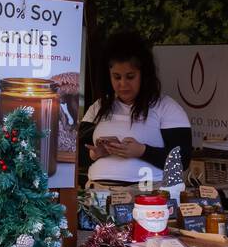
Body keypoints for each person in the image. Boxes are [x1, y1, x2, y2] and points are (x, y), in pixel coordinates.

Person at [80, 30, 192, 184]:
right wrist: (95, 153)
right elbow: (77, 154)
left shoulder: (167, 108)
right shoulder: (98, 107)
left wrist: (142, 151)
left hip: (148, 195)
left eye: (130, 77)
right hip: (97, 192)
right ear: (109, 76)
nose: (123, 84)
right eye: (117, 77)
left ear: (144, 75)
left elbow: (183, 160)